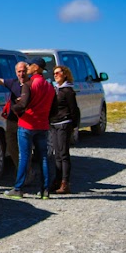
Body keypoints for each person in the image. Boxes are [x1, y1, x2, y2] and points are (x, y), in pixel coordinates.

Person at [4, 57, 55, 199]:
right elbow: (53, 107)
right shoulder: (49, 86)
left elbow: (22, 105)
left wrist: (13, 108)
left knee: (25, 157)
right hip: (43, 125)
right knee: (43, 157)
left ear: (36, 68)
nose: (27, 68)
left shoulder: (29, 84)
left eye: (30, 65)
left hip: (27, 124)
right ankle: (45, 190)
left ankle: (18, 188)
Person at [49, 65, 80, 194]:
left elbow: (74, 110)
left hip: (64, 123)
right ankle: (57, 180)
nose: (55, 75)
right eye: (54, 73)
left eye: (58, 73)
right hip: (54, 124)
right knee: (57, 154)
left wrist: (72, 126)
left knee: (63, 154)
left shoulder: (68, 91)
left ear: (65, 74)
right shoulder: (56, 89)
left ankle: (65, 182)